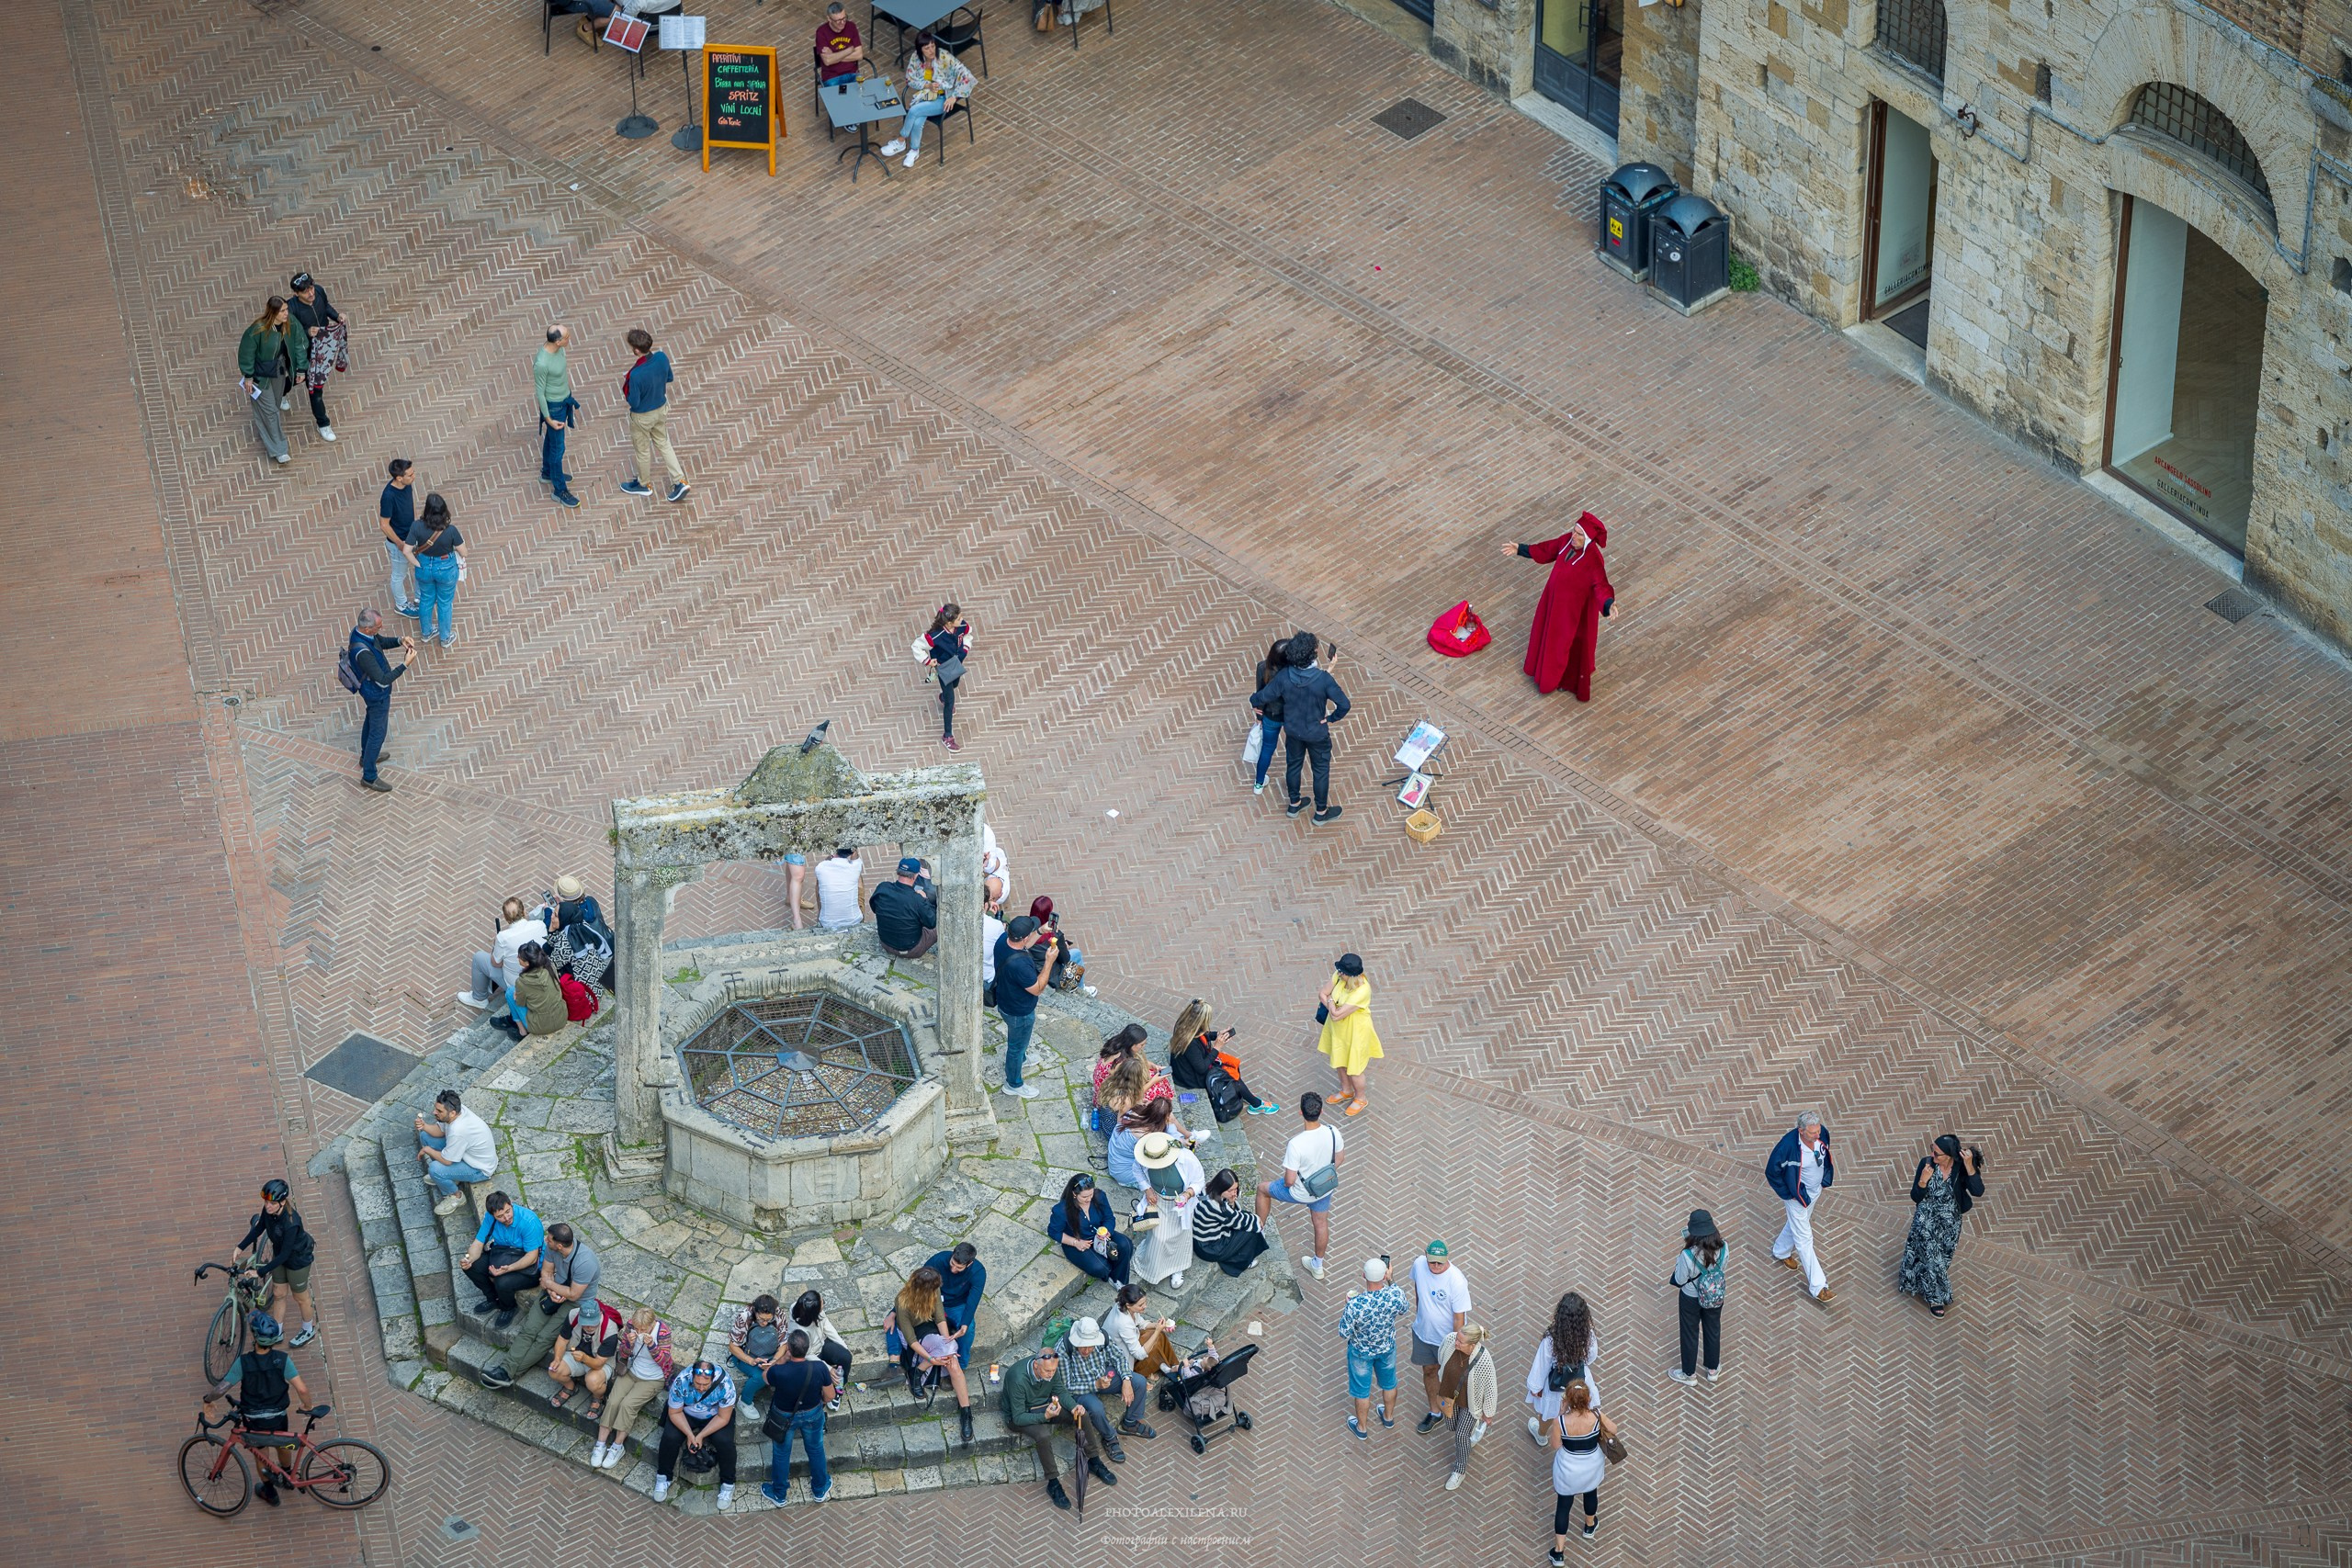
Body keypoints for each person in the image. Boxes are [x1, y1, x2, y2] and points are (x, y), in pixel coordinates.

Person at [199, 1313, 312, 1506]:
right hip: (278, 1415)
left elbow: (222, 1388)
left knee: (261, 1453)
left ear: (254, 1336)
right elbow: (301, 1388)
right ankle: (286, 1473)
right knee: (283, 1443)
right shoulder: (283, 1360)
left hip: (253, 1419)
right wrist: (307, 1406)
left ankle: (270, 1492)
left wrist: (208, 1399)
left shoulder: (243, 1362)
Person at [1503, 512, 1617, 703]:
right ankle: (1545, 673)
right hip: (1552, 602)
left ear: (1588, 538)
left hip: (1570, 612)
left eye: (1580, 534)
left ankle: (1552, 679)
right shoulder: (1566, 541)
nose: (1574, 536)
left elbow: (1601, 585)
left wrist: (1608, 603)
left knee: (1561, 644)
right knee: (1547, 636)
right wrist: (1521, 549)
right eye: (1574, 531)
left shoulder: (1593, 559)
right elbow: (1547, 549)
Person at [483, 1220, 603, 1391]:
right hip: (553, 1291)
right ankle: (505, 1369)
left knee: (544, 1338)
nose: (546, 1240)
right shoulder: (552, 1248)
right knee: (529, 1330)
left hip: (576, 1303)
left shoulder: (586, 1262)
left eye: (550, 1239)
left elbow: (574, 1294)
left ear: (560, 1245)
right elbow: (546, 1272)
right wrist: (551, 1289)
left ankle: (509, 1374)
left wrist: (550, 1284)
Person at [1001, 1342, 1115, 1512]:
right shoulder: (1018, 1378)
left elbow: (1061, 1392)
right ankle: (1053, 1483)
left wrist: (1074, 1406)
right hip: (1022, 1415)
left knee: (1081, 1414)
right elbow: (1017, 1417)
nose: (1051, 1374)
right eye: (1048, 1371)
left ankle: (1094, 1460)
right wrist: (1044, 1417)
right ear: (1036, 1365)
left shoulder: (1051, 1367)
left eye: (1054, 1371)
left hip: (1045, 1407)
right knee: (1043, 1435)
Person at [1250, 630, 1351, 824]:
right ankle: (1320, 812)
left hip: (1293, 732)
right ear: (1312, 655)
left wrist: (1254, 703)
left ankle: (1294, 804)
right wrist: (1330, 719)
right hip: (1316, 734)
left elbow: (1262, 696)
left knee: (1293, 766)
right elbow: (1345, 705)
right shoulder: (1323, 679)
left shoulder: (1285, 676)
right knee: (1320, 771)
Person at [884, 1266, 978, 1442]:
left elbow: (940, 1318)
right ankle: (918, 1370)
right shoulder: (902, 1302)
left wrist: (947, 1342)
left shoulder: (934, 1290)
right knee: (949, 1356)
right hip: (912, 1335)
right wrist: (930, 1358)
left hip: (929, 1329)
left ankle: (966, 1412)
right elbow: (911, 1340)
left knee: (952, 1359)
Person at [1256, 1092, 1344, 1280]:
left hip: (1300, 1192)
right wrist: (1321, 1176)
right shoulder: (1332, 1131)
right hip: (1324, 1188)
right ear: (1321, 1111)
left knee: (1263, 1189)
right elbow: (1340, 1158)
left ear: (1300, 1112)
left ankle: (1258, 1231)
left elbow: (1289, 1181)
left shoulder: (1296, 1144)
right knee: (1321, 1224)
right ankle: (1318, 1266)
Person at [1898, 1134, 1984, 1317]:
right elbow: (1916, 1196)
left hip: (1950, 1223)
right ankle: (1936, 1297)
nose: (1933, 1156)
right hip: (1925, 1220)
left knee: (1941, 1260)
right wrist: (1923, 1180)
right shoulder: (1927, 1164)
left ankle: (1918, 1281)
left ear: (1950, 1155)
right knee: (1932, 1259)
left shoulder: (1960, 1168)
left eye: (1937, 1154)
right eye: (1932, 1150)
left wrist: (1969, 1166)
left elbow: (1978, 1191)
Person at [231, 1179, 318, 1348]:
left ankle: (308, 1329)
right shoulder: (268, 1211)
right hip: (280, 1256)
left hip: (297, 1261)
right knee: (278, 1293)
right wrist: (240, 1247)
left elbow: (286, 1254)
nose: (267, 1206)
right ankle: (275, 1331)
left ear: (282, 1202)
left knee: (300, 1297)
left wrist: (260, 1272)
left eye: (271, 1203)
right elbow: (259, 1228)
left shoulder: (292, 1223)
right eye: (266, 1202)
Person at [758, 1329, 836, 1505]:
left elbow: (765, 1377)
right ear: (807, 1349)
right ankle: (819, 1489)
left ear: (789, 1350)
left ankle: (779, 1494)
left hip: (783, 1415)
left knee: (781, 1453)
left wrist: (781, 1359)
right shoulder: (818, 1367)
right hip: (813, 1413)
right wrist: (820, 1402)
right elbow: (830, 1395)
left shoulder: (780, 1371)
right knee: (816, 1449)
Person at [591, 1307, 675, 1470]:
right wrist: (628, 1343)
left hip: (653, 1378)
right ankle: (600, 1444)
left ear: (652, 1324)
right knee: (614, 1401)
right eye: (637, 1328)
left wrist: (652, 1346)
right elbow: (623, 1352)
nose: (639, 1331)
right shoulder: (631, 1325)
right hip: (631, 1371)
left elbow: (665, 1361)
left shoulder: (663, 1331)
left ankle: (617, 1446)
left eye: (643, 1329)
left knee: (627, 1405)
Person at [1766, 1111, 1836, 1305]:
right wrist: (1789, 1195)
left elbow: (1825, 1156)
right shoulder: (1787, 1147)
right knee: (1805, 1239)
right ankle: (1819, 1286)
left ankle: (1781, 1251)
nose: (1817, 1135)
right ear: (1801, 1131)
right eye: (1813, 1132)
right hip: (1798, 1197)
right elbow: (1772, 1172)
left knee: (1798, 1224)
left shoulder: (1823, 1135)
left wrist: (1823, 1181)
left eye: (1818, 1131)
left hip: (1814, 1193)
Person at [879, 32, 976, 169]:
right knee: (918, 121)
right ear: (920, 50)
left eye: (933, 46)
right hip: (926, 95)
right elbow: (910, 79)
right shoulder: (915, 58)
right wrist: (927, 85)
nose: (931, 51)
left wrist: (955, 96)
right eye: (927, 48)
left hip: (944, 99)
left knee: (913, 110)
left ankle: (901, 140)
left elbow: (967, 75)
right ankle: (914, 150)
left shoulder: (944, 56)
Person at [1544, 1380, 1618, 1553]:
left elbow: (1555, 1445)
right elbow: (1613, 1429)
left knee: (1563, 1505)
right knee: (1591, 1492)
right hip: (1591, 1466)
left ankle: (1559, 1551)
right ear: (1588, 1398)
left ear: (1567, 1399)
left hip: (1568, 1470)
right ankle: (1589, 1526)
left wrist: (1561, 1412)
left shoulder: (1560, 1422)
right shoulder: (1596, 1415)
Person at [1338, 1255, 1408, 1438]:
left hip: (1361, 1352)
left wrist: (1348, 1305)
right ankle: (1388, 1417)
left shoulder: (1356, 1305)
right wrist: (1392, 1279)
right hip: (1386, 1349)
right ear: (1384, 1276)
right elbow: (1404, 1308)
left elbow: (1343, 1332)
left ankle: (1362, 1428)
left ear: (1363, 1275)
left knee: (1362, 1391)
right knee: (1389, 1383)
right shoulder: (1395, 1295)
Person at [1407, 1239, 1473, 1432]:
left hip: (1448, 1341)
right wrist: (1420, 1311)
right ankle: (1435, 1412)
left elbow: (1459, 1319)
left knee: (1453, 1378)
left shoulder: (1456, 1280)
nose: (1435, 1266)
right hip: (1423, 1335)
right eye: (1432, 1262)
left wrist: (1456, 1346)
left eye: (1439, 1263)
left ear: (1447, 1259)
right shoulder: (1419, 1264)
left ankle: (1459, 1414)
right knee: (1429, 1371)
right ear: (1426, 1256)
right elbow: (1418, 1287)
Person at [346, 609, 416, 793]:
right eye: (378, 626)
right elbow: (382, 680)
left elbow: (381, 642)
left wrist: (400, 640)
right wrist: (405, 664)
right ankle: (369, 776)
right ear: (368, 629)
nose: (381, 628)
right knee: (378, 733)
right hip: (376, 693)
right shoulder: (362, 653)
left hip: (373, 692)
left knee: (370, 721)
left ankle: (366, 757)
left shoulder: (362, 633)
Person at [1058, 1315, 1150, 1452]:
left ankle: (1130, 1422)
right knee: (1096, 1408)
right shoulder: (1063, 1350)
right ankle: (1109, 1437)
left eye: (1090, 1346)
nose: (1086, 1350)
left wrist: (1126, 1379)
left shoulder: (1103, 1337)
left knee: (1139, 1381)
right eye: (1082, 1346)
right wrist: (1095, 1385)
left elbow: (1119, 1357)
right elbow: (1067, 1386)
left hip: (1103, 1377)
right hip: (1081, 1388)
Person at [1169, 999, 1277, 1115]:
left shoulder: (1185, 1025)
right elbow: (1202, 1068)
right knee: (1231, 1077)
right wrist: (1217, 1047)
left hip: (1187, 1068)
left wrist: (1217, 1035)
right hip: (1190, 1078)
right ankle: (1257, 1105)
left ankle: (1245, 1094)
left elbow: (1202, 1035)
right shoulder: (1191, 1044)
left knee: (1231, 1063)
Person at [617, 327, 688, 502]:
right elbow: (669, 378)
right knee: (664, 443)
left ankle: (644, 484)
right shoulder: (662, 358)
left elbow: (634, 402)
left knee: (642, 451)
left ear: (636, 350)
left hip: (642, 416)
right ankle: (679, 480)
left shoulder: (636, 375)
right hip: (661, 409)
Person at [651, 1360, 735, 1506]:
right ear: (692, 1378)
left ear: (712, 1378)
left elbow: (724, 1417)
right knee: (669, 1437)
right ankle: (664, 1477)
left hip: (715, 1416)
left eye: (705, 1384)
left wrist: (700, 1436)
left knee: (725, 1442)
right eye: (698, 1384)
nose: (701, 1388)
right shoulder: (681, 1381)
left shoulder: (726, 1384)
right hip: (686, 1413)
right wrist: (690, 1435)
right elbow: (674, 1412)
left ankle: (728, 1484)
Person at [992, 914, 1058, 1099]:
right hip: (1019, 1011)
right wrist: (1049, 962)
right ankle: (1013, 1084)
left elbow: (1024, 946)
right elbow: (1037, 989)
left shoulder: (1002, 941)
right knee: (1015, 1047)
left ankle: (1023, 1058)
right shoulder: (1021, 966)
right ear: (1023, 937)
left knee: (1018, 1043)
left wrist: (1039, 932)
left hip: (1005, 1001)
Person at [236, 295, 307, 464]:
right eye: (282, 311)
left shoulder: (291, 323)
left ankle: (268, 432)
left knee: (273, 407)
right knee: (272, 412)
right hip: (260, 376)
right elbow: (246, 353)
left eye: (286, 309)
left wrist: (301, 369)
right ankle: (279, 450)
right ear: (273, 312)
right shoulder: (257, 330)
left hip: (278, 371)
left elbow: (299, 344)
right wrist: (248, 376)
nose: (286, 313)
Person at [458, 1190, 545, 1326]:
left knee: (502, 1282)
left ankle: (508, 1308)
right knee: (472, 1267)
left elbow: (532, 1257)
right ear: (493, 1215)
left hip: (528, 1266)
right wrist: (469, 1259)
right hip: (502, 1256)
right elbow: (478, 1243)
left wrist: (508, 1269)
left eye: (508, 1211)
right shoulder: (490, 1218)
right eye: (500, 1216)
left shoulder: (529, 1221)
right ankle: (493, 1298)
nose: (506, 1218)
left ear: (510, 1204)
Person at [1524, 1291, 1600, 1441]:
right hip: (1579, 1381)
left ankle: (1541, 1435)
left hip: (1556, 1385)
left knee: (1548, 1414)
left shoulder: (1551, 1339)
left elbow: (1542, 1365)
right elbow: (1591, 1357)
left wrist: (1535, 1387)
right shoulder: (1588, 1335)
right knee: (1578, 1410)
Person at [413, 1087, 500, 1217]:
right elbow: (440, 1131)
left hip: (479, 1169)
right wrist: (424, 1126)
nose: (433, 1112)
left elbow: (447, 1161)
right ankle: (449, 1177)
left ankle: (456, 1196)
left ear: (452, 1113)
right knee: (425, 1135)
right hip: (466, 1155)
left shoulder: (458, 1130)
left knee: (435, 1169)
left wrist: (427, 1150)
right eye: (435, 1108)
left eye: (438, 1111)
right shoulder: (456, 1111)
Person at [1135, 1130, 1204, 1288]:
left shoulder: (1187, 1159)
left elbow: (1199, 1181)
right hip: (1157, 1200)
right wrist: (1147, 1189)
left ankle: (1177, 1269)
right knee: (1159, 1237)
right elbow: (1137, 1170)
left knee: (1180, 1235)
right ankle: (1154, 1269)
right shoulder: (1146, 1156)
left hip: (1180, 1203)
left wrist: (1187, 1194)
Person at [1317, 953, 1383, 1116]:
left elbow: (1336, 1015)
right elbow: (1323, 994)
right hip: (1338, 1030)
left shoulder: (1362, 991)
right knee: (1340, 1061)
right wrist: (1332, 1003)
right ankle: (1346, 1090)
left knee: (1355, 1069)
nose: (1338, 974)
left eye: (1342, 972)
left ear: (1351, 976)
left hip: (1356, 1032)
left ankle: (1361, 1098)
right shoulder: (1339, 975)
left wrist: (1331, 1001)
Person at [284, 272, 345, 443]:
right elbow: (289, 335)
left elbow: (325, 307)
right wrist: (306, 332)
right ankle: (281, 393)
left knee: (315, 389)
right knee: (297, 380)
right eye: (305, 291)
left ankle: (323, 424)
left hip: (322, 348)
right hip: (302, 353)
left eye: (311, 288)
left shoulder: (319, 291)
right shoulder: (292, 309)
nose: (311, 293)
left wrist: (336, 316)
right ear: (296, 294)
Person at [460, 897, 548, 1014]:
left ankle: (478, 998)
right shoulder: (540, 925)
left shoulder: (503, 937)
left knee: (479, 957)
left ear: (506, 918)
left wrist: (496, 944)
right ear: (524, 911)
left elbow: (496, 963)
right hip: (542, 978)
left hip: (517, 986)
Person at [1668, 1209, 1725, 1384]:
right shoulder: (1724, 1247)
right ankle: (1713, 1369)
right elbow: (1723, 1268)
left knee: (1689, 1333)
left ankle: (1689, 1374)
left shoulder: (1687, 1255)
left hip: (1690, 1297)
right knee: (1713, 1329)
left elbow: (1680, 1279)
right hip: (1715, 1294)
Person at [403, 493, 467, 649]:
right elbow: (464, 552)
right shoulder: (451, 530)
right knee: (445, 603)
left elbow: (406, 550)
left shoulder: (417, 526)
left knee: (426, 599)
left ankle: (426, 633)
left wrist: (417, 564)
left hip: (424, 566)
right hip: (446, 568)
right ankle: (445, 638)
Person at [1048, 1173, 1134, 1286]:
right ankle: (1108, 1272)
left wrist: (1107, 1230)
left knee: (1126, 1244)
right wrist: (1075, 1242)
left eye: (1091, 1195)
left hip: (1100, 1235)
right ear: (1074, 1194)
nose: (1089, 1199)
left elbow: (1109, 1217)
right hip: (1078, 1241)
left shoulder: (1100, 1196)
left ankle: (1118, 1281)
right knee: (1100, 1267)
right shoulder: (1061, 1210)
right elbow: (1053, 1232)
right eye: (1084, 1197)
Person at [1440, 1321, 1497, 1490]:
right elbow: (1441, 1354)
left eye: (1460, 1342)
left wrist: (1488, 1413)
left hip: (1471, 1404)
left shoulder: (1484, 1359)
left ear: (1472, 1346)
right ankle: (1469, 1429)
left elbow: (1491, 1388)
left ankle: (1459, 1471)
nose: (1455, 1342)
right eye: (1457, 1338)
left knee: (1461, 1436)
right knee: (1451, 1425)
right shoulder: (1450, 1340)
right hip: (1450, 1395)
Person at [542, 1298, 619, 1414]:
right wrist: (557, 1359)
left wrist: (585, 1358)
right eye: (585, 1323)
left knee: (593, 1381)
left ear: (600, 1314)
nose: (589, 1327)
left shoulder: (610, 1330)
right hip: (575, 1354)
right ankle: (570, 1387)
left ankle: (598, 1397)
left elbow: (598, 1364)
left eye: (592, 1323)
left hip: (599, 1362)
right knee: (554, 1370)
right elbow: (562, 1339)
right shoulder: (573, 1315)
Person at [1191, 1168, 1270, 1277]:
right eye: (1230, 1190)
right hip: (1209, 1248)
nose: (1234, 1193)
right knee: (1251, 1232)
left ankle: (1235, 1256)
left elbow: (1233, 1214)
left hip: (1202, 1240)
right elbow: (1237, 1220)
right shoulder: (1215, 1206)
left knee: (1247, 1219)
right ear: (1221, 1188)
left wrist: (1232, 1202)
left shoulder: (1209, 1190)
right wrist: (1258, 1220)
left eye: (1235, 1189)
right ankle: (1242, 1262)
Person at [921, 1242, 986, 1372]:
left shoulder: (978, 1272)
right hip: (933, 1301)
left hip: (957, 1304)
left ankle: (960, 1366)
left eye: (959, 1268)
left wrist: (965, 1324)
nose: (953, 1270)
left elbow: (973, 1301)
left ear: (969, 1264)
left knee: (969, 1329)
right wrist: (895, 1311)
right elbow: (918, 1284)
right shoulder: (938, 1260)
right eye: (952, 1264)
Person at [534, 324, 581, 508]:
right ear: (558, 341)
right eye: (567, 336)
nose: (570, 338)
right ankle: (559, 491)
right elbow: (540, 393)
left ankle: (547, 473)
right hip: (554, 408)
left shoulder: (560, 350)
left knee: (552, 442)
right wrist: (548, 419)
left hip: (564, 400)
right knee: (558, 449)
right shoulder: (542, 363)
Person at [542, 875, 613, 990]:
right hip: (600, 977)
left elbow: (550, 964)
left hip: (585, 992)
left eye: (555, 915)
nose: (552, 916)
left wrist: (550, 925)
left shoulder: (566, 938)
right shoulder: (588, 910)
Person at [1107, 1281, 1177, 1387]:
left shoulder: (1124, 1306)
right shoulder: (1123, 1323)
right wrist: (1157, 1330)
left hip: (1130, 1341)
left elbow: (1141, 1323)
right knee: (1155, 1340)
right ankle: (1141, 1374)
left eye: (1145, 1302)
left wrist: (1159, 1326)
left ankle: (1174, 1365)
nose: (1145, 1306)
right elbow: (1139, 1354)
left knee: (1159, 1335)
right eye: (1141, 1305)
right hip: (1122, 1356)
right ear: (1129, 1305)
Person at [921, 603, 970, 751]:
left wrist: (965, 649)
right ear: (949, 622)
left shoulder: (962, 626)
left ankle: (943, 696)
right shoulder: (935, 636)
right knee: (950, 702)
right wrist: (928, 661)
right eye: (959, 617)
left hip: (956, 663)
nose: (962, 619)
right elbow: (917, 646)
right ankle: (947, 736)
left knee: (955, 684)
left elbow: (968, 635)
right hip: (944, 668)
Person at [726, 1294, 786, 1414]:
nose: (764, 1323)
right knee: (760, 1377)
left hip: (771, 1355)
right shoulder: (744, 1316)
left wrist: (774, 1361)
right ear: (755, 1311)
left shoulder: (780, 1314)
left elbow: (784, 1343)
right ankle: (744, 1401)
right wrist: (751, 1361)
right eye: (761, 1319)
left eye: (768, 1320)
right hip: (747, 1355)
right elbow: (733, 1346)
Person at [1246, 637, 1291, 795]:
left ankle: (1259, 783)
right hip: (1291, 715)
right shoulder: (1293, 672)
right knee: (1293, 750)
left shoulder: (1262, 667)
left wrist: (1258, 714)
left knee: (1267, 749)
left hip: (1271, 716)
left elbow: (1260, 692)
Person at [872, 855, 939, 957]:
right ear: (915, 876)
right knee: (941, 923)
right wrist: (924, 899)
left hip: (885, 943)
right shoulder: (918, 899)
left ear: (898, 871)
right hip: (911, 949)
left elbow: (874, 908)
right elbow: (932, 923)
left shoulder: (882, 888)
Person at [378, 458, 420, 617]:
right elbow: (384, 525)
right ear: (399, 478)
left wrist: (416, 524)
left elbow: (411, 504)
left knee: (419, 567)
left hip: (412, 536)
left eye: (413, 472)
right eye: (410, 475)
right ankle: (401, 605)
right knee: (399, 575)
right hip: (400, 543)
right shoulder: (388, 496)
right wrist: (399, 544)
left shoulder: (407, 485)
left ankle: (419, 599)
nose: (413, 476)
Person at [507, 942, 566, 1038]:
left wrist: (517, 995)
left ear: (527, 963)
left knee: (510, 992)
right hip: (561, 1017)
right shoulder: (551, 966)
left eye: (519, 957)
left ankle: (522, 1032)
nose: (517, 958)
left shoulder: (522, 982)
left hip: (540, 1026)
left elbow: (520, 1003)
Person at [814, 844, 864, 931]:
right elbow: (856, 858)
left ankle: (821, 913)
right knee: (859, 878)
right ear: (852, 851)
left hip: (827, 923)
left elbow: (826, 861)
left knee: (820, 883)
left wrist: (831, 857)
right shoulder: (856, 866)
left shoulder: (820, 867)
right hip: (854, 921)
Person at [815, 1, 863, 85]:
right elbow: (828, 61)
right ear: (829, 19)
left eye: (844, 18)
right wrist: (849, 50)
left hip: (853, 73)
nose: (842, 23)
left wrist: (834, 55)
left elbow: (859, 55)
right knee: (841, 96)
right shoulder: (821, 32)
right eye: (838, 20)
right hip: (832, 77)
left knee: (861, 94)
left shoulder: (851, 26)